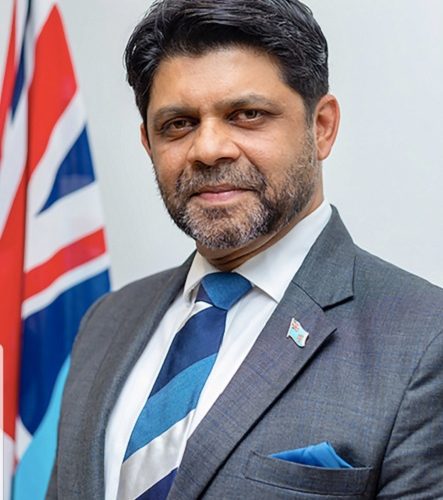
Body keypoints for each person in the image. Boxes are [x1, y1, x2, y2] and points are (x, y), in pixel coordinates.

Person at [47, 0, 443, 498]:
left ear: (321, 127)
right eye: (179, 124)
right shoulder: (105, 323)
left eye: (247, 115)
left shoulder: (425, 340)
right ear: (148, 143)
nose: (209, 149)